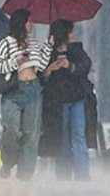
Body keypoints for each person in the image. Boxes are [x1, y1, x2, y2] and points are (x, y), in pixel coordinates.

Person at [0, 9, 50, 180]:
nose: (32, 24)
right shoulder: (6, 43)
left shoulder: (33, 42)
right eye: (29, 21)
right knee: (12, 132)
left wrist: (48, 45)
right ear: (21, 23)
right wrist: (15, 62)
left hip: (33, 89)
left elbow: (41, 66)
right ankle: (8, 162)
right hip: (13, 90)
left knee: (31, 134)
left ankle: (25, 175)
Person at [40, 20, 96, 181]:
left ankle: (82, 174)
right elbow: (40, 76)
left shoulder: (76, 50)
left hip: (77, 99)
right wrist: (50, 69)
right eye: (71, 31)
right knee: (62, 138)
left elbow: (85, 66)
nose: (73, 35)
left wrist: (70, 65)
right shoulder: (47, 53)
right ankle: (63, 174)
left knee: (78, 136)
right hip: (57, 102)